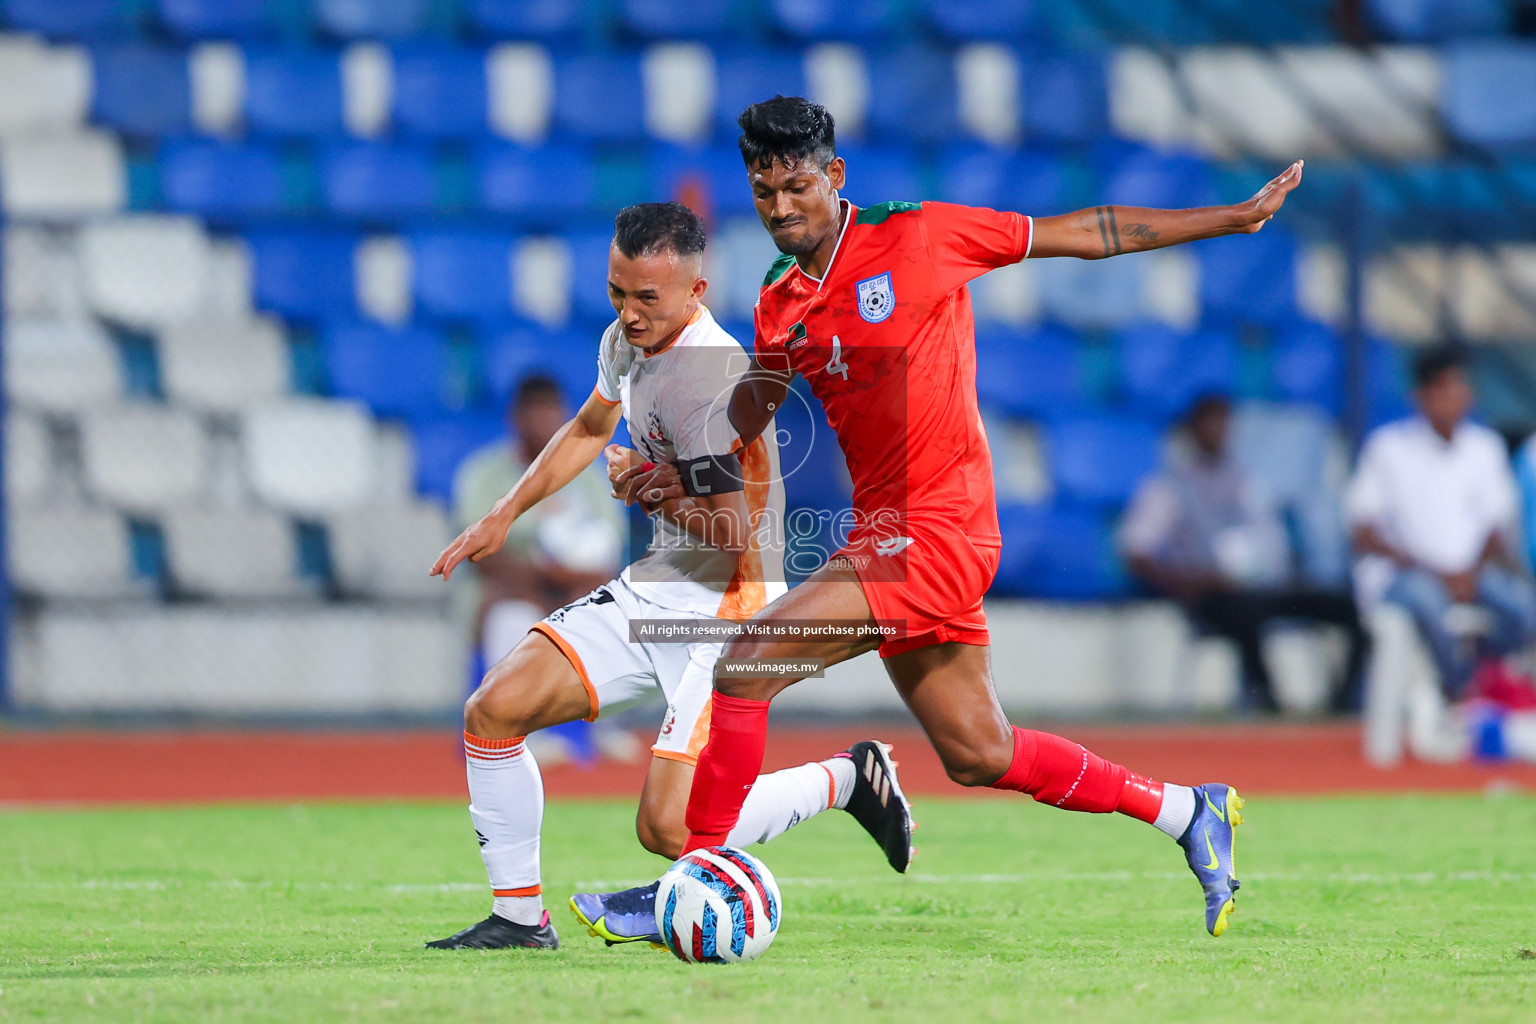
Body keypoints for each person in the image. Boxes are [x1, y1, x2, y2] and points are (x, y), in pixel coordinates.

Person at [586, 97, 1305, 940]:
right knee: (978, 751)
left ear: (834, 176)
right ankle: (1190, 812)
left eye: (796, 187)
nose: (780, 208)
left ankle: (686, 878)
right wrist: (668, 472)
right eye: (763, 191)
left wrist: (1232, 218)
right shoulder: (780, 301)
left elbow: (1084, 231)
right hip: (880, 536)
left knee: (743, 663)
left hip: (939, 530)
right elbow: (752, 416)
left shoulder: (919, 236)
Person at [425, 202, 912, 951]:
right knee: (492, 711)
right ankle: (520, 919)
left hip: (730, 605)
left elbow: (736, 530)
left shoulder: (708, 383)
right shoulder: (628, 339)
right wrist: (503, 511)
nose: (629, 312)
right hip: (659, 583)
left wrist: (647, 486)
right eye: (618, 291)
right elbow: (591, 426)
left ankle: (845, 780)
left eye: (647, 298)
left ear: (697, 290)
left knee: (669, 826)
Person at [1121, 393, 1368, 714]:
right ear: (1191, 430)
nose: (1217, 430)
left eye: (1223, 422)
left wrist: (1266, 569)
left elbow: (1269, 538)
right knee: (1244, 616)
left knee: (1353, 608)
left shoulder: (1245, 479)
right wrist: (1189, 582)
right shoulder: (1169, 486)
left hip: (1262, 585)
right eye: (1208, 422)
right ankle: (1269, 701)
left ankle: (1342, 702)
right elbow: (1136, 552)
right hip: (1211, 592)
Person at [1347, 343, 1536, 699]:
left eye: (1462, 386)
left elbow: (1497, 527)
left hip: (1472, 574)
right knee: (1428, 603)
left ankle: (1481, 678)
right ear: (1422, 394)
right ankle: (1459, 690)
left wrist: (1469, 573)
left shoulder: (1484, 447)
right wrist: (1437, 573)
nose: (1458, 397)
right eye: (1447, 387)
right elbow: (1365, 532)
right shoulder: (1387, 448)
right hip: (1407, 576)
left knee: (1525, 608)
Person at [453, 374, 624, 677]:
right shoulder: (484, 474)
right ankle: (516, 721)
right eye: (534, 410)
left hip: (575, 587)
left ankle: (602, 723)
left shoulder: (591, 477)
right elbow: (479, 554)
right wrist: (535, 583)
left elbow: (608, 551)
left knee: (606, 615)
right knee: (515, 619)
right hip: (506, 590)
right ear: (515, 417)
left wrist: (564, 586)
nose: (543, 421)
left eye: (551, 410)